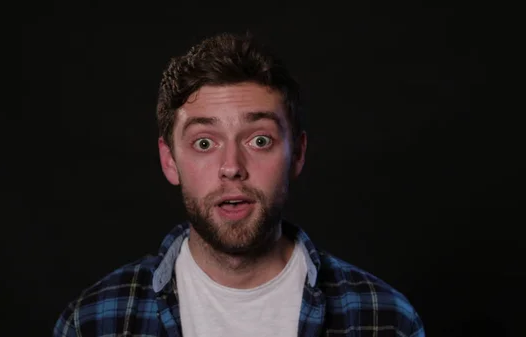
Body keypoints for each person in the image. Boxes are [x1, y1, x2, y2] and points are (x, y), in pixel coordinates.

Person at [53, 32, 425, 337]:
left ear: (297, 155)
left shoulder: (386, 320)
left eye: (259, 140)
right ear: (170, 160)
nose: (231, 167)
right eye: (204, 143)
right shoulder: (93, 323)